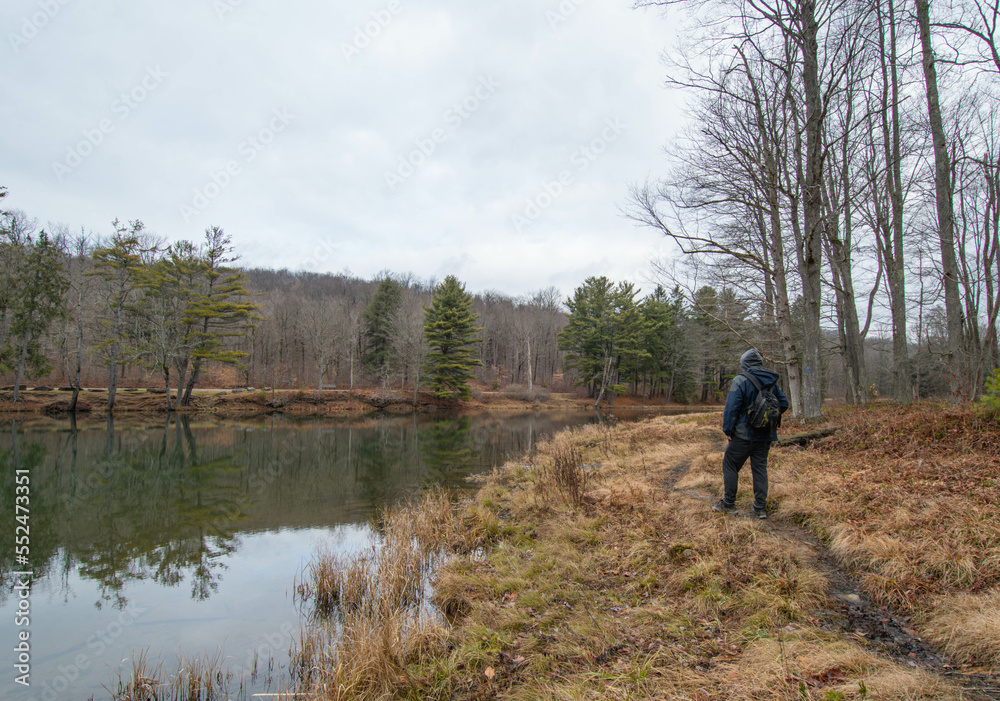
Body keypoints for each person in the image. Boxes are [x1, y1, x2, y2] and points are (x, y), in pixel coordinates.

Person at [712, 348, 789, 519]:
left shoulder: (740, 380)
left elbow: (731, 408)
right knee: (760, 469)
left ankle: (728, 504)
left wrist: (728, 430)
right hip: (766, 435)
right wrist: (766, 419)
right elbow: (783, 404)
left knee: (730, 464)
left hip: (743, 434)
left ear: (744, 364)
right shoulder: (772, 381)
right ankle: (760, 508)